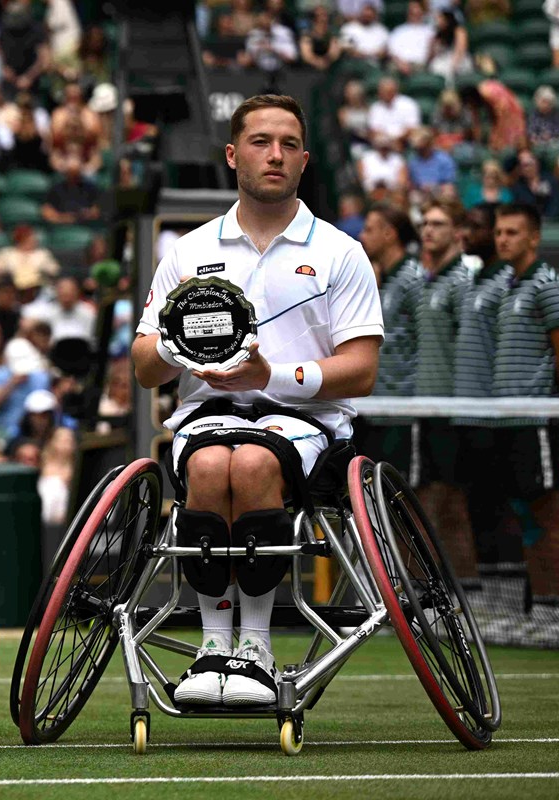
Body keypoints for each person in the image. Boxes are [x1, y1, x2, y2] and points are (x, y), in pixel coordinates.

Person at [132, 95, 382, 707]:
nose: (275, 154)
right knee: (215, 463)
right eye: (261, 141)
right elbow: (142, 368)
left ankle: (257, 647)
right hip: (205, 416)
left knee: (250, 463)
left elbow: (362, 371)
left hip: (307, 423)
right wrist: (183, 346)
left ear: (303, 161)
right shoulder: (187, 252)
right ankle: (214, 644)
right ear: (232, 154)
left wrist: (271, 375)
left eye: (289, 145)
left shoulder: (340, 252)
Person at [483, 204, 559, 646]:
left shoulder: (546, 284)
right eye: (499, 232)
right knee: (527, 514)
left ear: (534, 238)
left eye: (513, 233)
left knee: (550, 510)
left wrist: (552, 404)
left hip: (537, 417)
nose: (503, 240)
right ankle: (543, 609)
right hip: (509, 418)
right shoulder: (508, 285)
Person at [412, 198, 480, 589]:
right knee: (431, 498)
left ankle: (466, 589)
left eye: (438, 223)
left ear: (457, 233)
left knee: (450, 501)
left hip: (453, 409)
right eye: (425, 224)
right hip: (425, 405)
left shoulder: (462, 282)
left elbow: (468, 348)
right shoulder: (428, 281)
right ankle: (439, 588)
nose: (428, 230)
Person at [355, 203, 421, 478]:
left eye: (369, 229)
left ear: (390, 234)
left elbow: (425, 339)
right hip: (373, 406)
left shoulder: (414, 279)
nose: (361, 236)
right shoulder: (379, 277)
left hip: (402, 409)